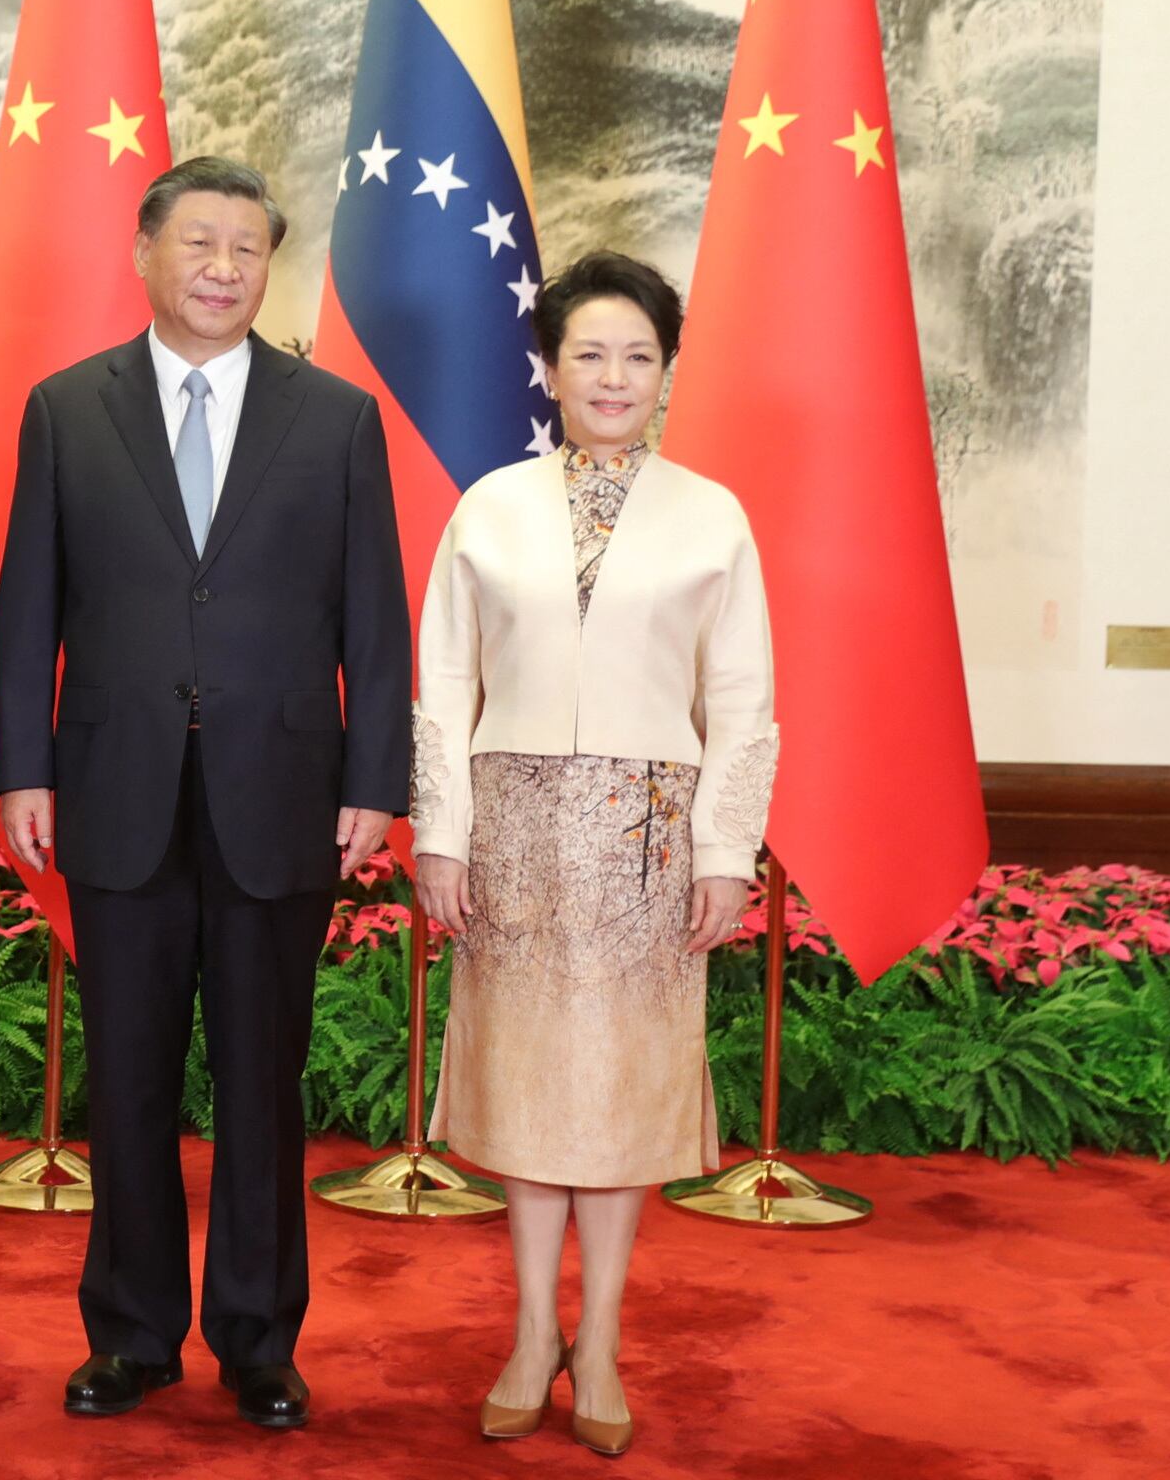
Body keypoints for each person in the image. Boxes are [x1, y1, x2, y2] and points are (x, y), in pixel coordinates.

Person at [0, 156, 412, 1432]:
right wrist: (22, 762)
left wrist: (376, 777)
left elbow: (377, 620)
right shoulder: (68, 408)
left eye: (247, 248)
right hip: (116, 788)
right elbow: (28, 608)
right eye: (200, 243)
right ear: (146, 252)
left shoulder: (334, 418)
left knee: (260, 1081)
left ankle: (258, 1335)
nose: (224, 268)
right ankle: (128, 1332)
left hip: (281, 793)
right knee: (124, 1079)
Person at [411, 250, 776, 1459]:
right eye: (588, 353)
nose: (612, 376)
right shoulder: (489, 504)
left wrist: (728, 850)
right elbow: (442, 684)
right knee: (526, 1086)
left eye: (637, 355)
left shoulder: (712, 514)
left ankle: (603, 1337)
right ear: (550, 366)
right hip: (510, 827)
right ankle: (528, 1331)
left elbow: (743, 700)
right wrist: (441, 833)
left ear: (666, 371)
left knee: (622, 1095)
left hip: (648, 842)